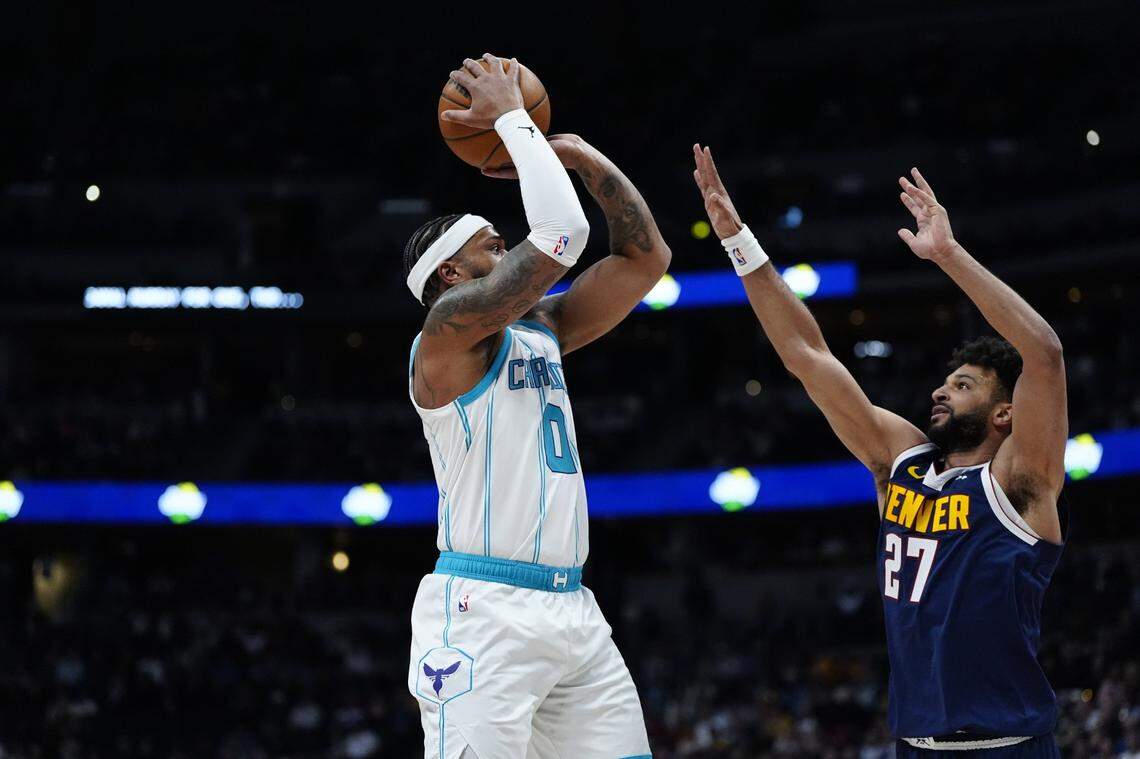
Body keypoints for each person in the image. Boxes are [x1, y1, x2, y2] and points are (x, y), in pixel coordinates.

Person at [691, 144, 1066, 757]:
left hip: (1010, 742)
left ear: (1006, 413)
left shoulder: (1020, 481)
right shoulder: (902, 464)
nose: (942, 391)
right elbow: (808, 356)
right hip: (913, 743)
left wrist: (947, 254)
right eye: (946, 381)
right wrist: (738, 242)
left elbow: (1044, 353)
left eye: (964, 385)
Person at [402, 53, 670, 759]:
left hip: (572, 607)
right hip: (482, 612)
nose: (508, 245)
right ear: (451, 274)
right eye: (493, 245)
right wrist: (513, 122)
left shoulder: (541, 328)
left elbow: (646, 259)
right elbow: (560, 238)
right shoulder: (446, 338)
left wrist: (582, 158)